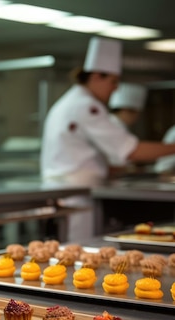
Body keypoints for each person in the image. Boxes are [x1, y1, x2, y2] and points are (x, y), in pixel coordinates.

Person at [40, 36, 175, 241]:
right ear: (96, 77)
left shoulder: (72, 101)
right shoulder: (86, 106)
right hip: (76, 196)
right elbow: (131, 150)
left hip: (67, 192)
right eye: (113, 81)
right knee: (79, 257)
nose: (115, 88)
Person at [107, 82, 148, 177]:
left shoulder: (120, 126)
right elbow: (130, 152)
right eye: (136, 113)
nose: (137, 118)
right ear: (125, 110)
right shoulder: (112, 126)